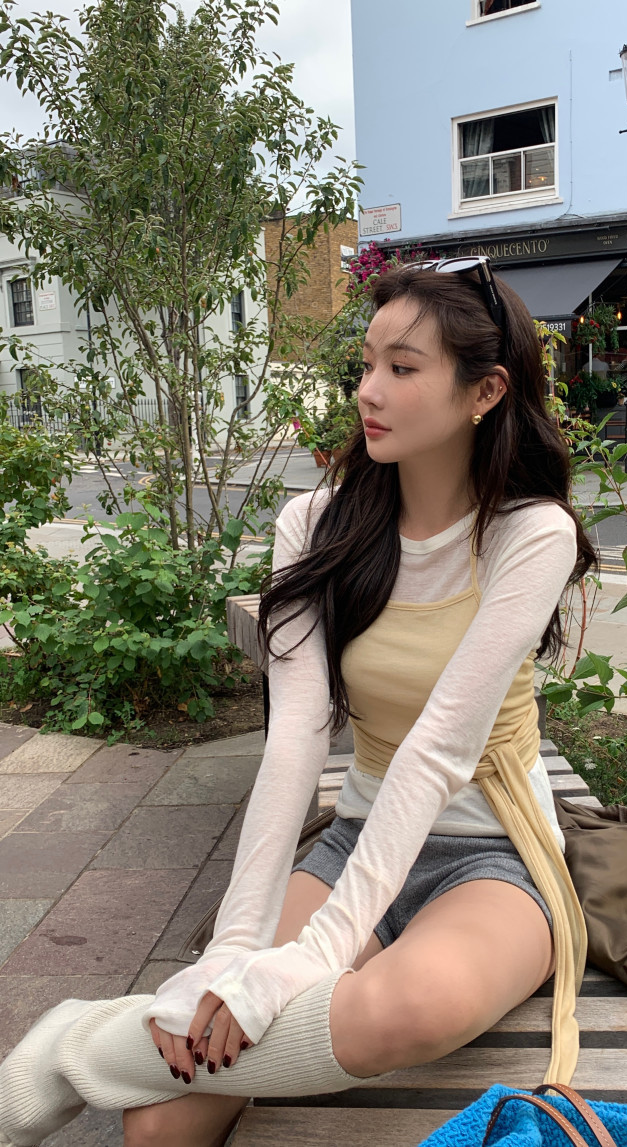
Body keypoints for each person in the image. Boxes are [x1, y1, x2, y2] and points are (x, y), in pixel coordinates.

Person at [0, 258, 596, 1147]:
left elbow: (440, 747)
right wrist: (235, 950)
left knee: (409, 1005)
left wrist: (309, 959)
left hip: (494, 853)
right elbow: (296, 737)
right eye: (367, 364)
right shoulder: (314, 523)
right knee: (160, 1123)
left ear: (486, 391)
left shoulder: (530, 532)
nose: (368, 391)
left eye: (402, 367)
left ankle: (67, 1049)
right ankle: (100, 1038)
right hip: (358, 834)